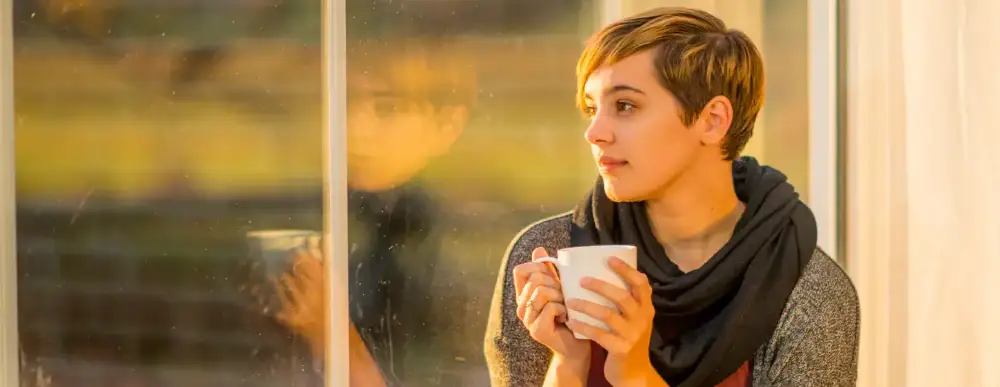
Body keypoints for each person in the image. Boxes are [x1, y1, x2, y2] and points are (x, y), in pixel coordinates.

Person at [484, 7, 859, 387]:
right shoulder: (546, 259)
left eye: (625, 106)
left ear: (712, 120)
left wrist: (634, 373)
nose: (594, 132)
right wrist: (567, 363)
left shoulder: (806, 292)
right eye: (592, 108)